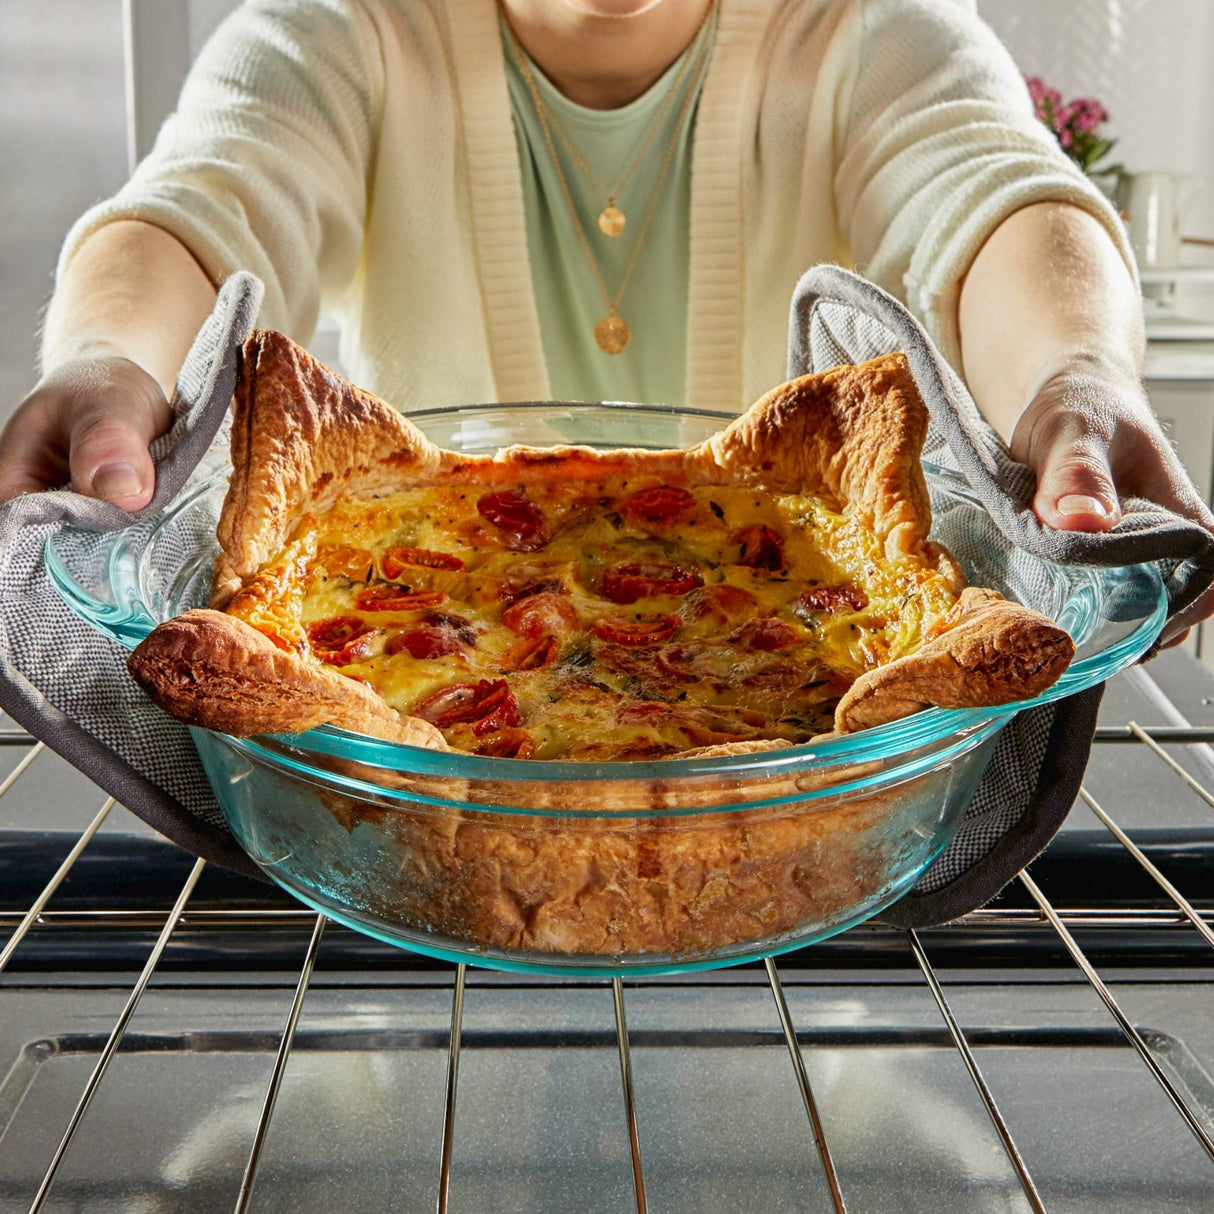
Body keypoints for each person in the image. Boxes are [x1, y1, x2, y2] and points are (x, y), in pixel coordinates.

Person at [1, 0, 1211, 642]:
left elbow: (992, 199)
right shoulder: (341, 30)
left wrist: (1072, 376)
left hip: (796, 698)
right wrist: (110, 356)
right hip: (405, 691)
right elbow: (195, 211)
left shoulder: (871, 31)